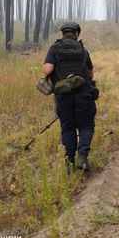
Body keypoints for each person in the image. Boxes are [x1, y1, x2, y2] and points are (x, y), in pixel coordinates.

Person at [42, 22, 97, 171]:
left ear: (62, 34)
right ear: (77, 33)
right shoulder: (83, 50)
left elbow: (47, 70)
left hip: (63, 96)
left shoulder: (55, 48)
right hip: (84, 95)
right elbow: (91, 74)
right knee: (86, 126)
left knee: (67, 128)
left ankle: (69, 160)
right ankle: (82, 157)